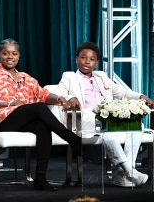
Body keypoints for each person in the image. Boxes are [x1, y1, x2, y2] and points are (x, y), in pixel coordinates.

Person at [0, 38, 82, 191]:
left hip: (23, 120)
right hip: (1, 121)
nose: (10, 57)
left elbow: (44, 95)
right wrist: (8, 104)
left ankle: (40, 179)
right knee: (39, 108)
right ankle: (71, 138)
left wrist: (60, 99)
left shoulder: (26, 78)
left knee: (42, 126)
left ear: (19, 56)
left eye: (14, 53)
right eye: (5, 53)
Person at [50, 41, 154, 187]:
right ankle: (131, 173)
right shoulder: (69, 77)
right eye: (83, 57)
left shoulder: (101, 76)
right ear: (76, 59)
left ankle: (121, 175)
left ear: (97, 63)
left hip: (106, 114)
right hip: (84, 115)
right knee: (106, 126)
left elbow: (120, 92)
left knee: (137, 126)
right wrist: (70, 98)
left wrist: (140, 97)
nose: (87, 61)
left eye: (91, 59)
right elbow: (59, 91)